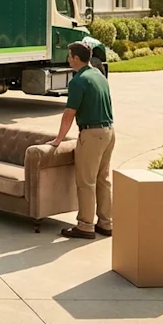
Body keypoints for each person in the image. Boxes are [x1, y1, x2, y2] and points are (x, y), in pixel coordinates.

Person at [49, 41, 115, 240]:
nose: (68, 59)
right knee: (103, 179)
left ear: (76, 58)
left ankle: (85, 226)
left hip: (92, 134)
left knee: (86, 181)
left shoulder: (78, 81)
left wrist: (58, 139)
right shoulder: (99, 76)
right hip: (109, 132)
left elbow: (69, 114)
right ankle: (106, 223)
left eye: (69, 56)